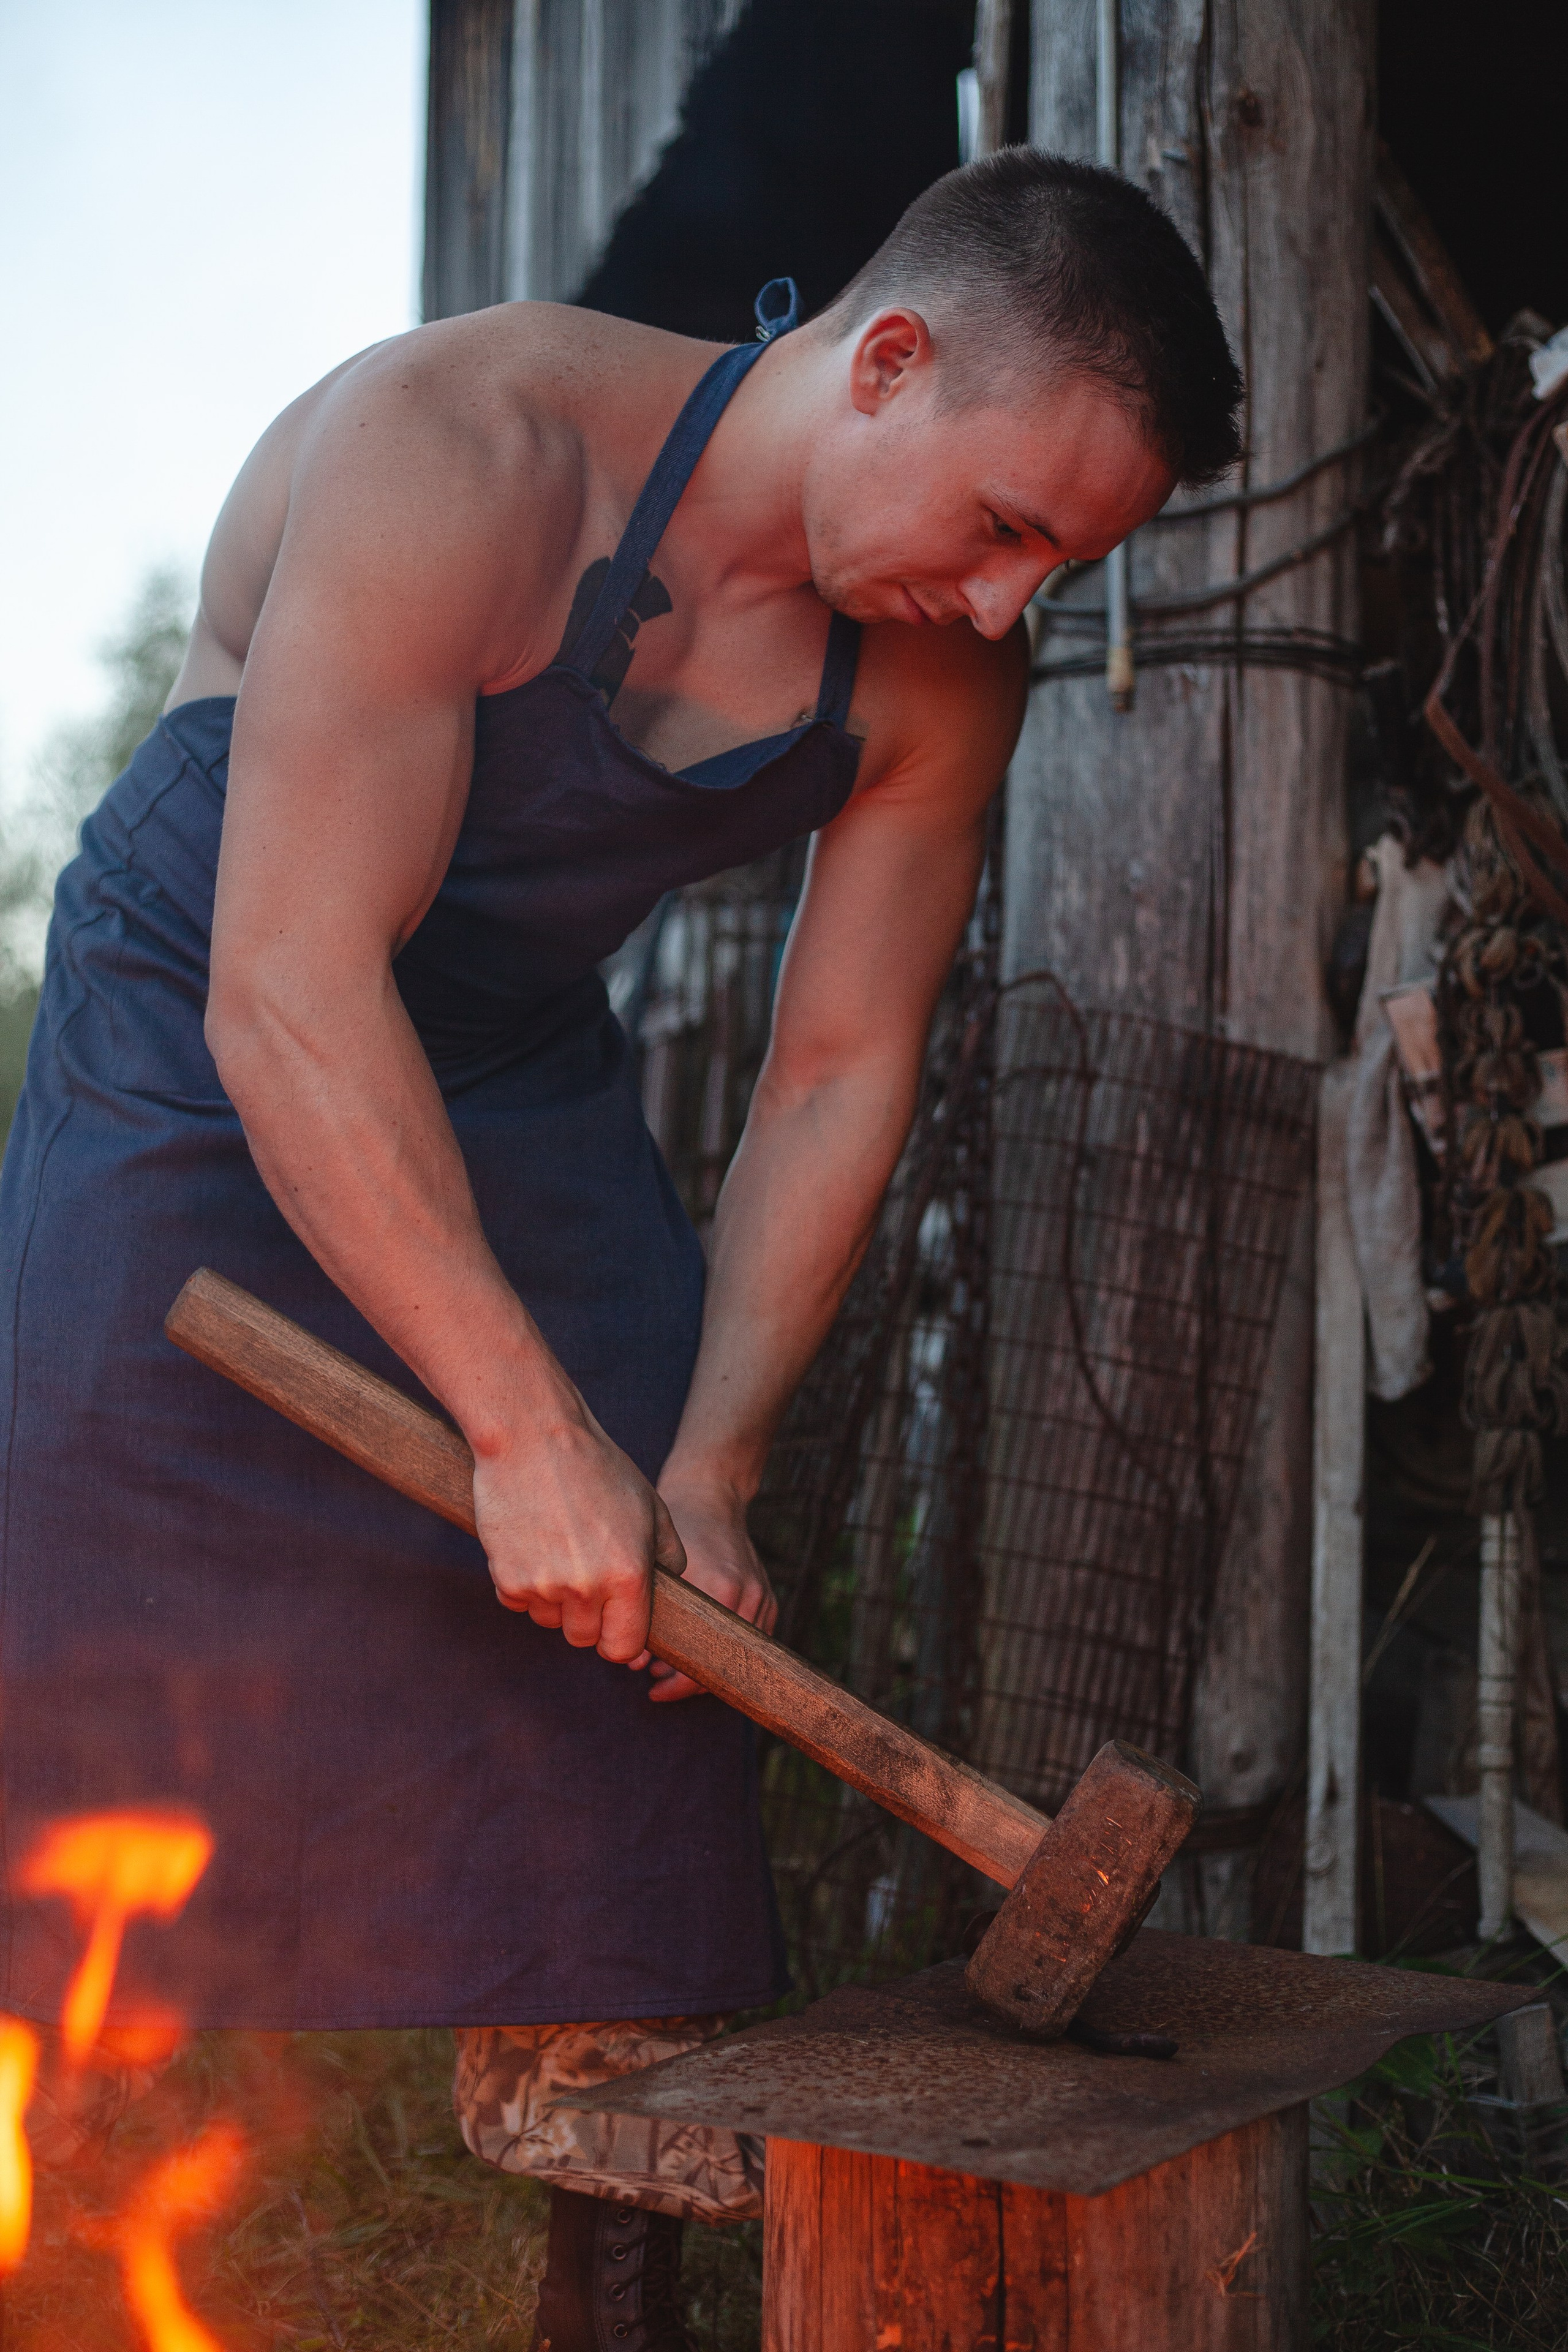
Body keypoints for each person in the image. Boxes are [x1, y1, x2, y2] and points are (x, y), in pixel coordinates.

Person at [0, 149, 1240, 2348]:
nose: (1012, 601)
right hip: (212, 1029)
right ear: (884, 363)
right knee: (100, 1651)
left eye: (1066, 564)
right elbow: (289, 993)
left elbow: (837, 1070)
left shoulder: (937, 681)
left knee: (648, 1658)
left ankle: (615, 2275)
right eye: (1013, 525)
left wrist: (701, 1459)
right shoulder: (460, 451)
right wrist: (515, 1422)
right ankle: (66, 2217)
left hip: (514, 1070)